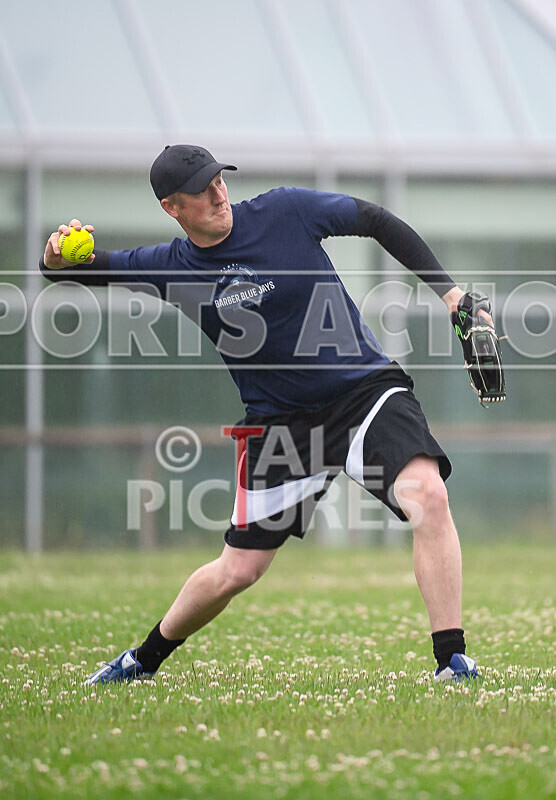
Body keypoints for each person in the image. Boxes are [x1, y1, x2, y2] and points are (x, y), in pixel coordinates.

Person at [41, 144, 486, 684]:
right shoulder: (174, 266)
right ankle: (140, 661)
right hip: (280, 425)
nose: (217, 193)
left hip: (363, 393)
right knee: (238, 570)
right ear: (171, 208)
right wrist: (54, 259)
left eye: (219, 181)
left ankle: (452, 662)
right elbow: (82, 271)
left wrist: (451, 296)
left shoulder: (285, 211)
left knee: (428, 495)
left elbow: (374, 219)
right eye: (201, 190)